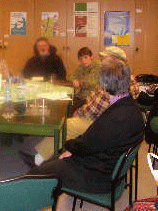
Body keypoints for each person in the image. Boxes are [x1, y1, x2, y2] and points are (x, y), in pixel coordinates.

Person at [26, 58, 144, 194]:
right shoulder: (131, 107)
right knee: (53, 165)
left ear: (105, 84)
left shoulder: (116, 117)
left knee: (38, 174)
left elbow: (88, 144)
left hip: (98, 176)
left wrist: (70, 147)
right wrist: (74, 149)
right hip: (107, 167)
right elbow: (92, 140)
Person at [19, 46, 128, 168]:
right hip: (103, 118)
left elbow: (95, 105)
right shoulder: (121, 77)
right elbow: (90, 94)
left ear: (114, 61)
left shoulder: (112, 81)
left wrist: (80, 111)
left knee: (67, 125)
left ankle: (39, 160)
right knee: (68, 115)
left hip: (101, 124)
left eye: (105, 58)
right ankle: (58, 151)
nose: (102, 60)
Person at [69, 47, 101, 113]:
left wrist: (79, 83)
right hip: (81, 95)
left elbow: (91, 82)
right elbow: (72, 77)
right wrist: (74, 80)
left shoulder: (98, 66)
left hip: (92, 97)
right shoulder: (81, 67)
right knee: (67, 105)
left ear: (91, 57)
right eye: (81, 59)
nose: (83, 61)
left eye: (86, 57)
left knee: (72, 109)